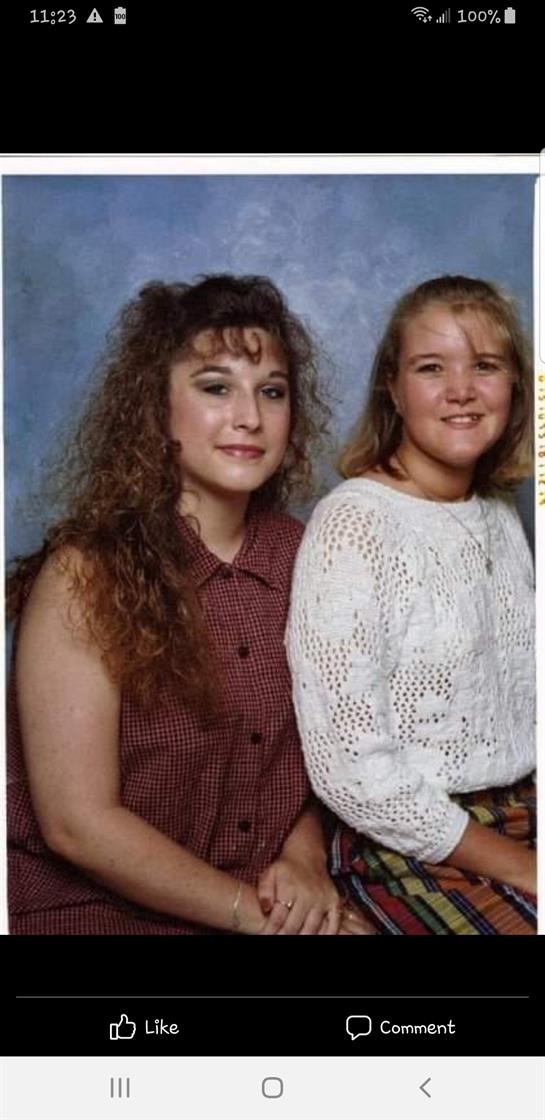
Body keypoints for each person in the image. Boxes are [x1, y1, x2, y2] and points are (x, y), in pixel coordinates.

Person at [7, 273, 369, 936]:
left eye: (271, 391)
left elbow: (323, 753)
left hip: (263, 893)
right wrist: (257, 921)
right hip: (96, 911)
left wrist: (303, 857)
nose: (249, 417)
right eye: (215, 387)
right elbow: (76, 824)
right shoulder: (86, 574)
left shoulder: (311, 555)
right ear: (156, 407)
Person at [286, 275, 536, 935]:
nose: (461, 390)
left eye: (485, 366)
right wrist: (523, 868)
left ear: (514, 385)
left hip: (523, 814)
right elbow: (350, 770)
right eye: (431, 368)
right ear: (392, 390)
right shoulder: (354, 524)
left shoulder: (496, 512)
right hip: (407, 842)